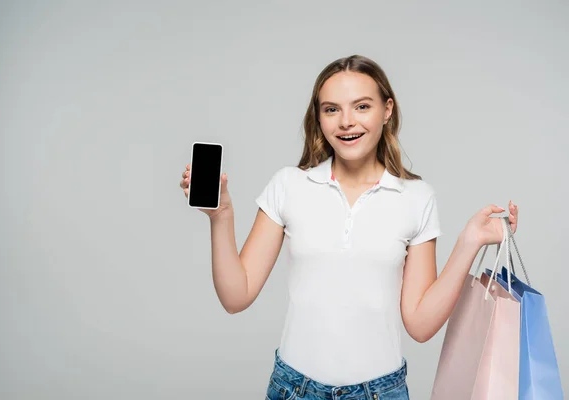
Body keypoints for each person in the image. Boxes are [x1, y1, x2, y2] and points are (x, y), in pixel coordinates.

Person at [179, 55, 519, 400]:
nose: (346, 122)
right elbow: (236, 297)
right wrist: (220, 216)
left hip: (380, 392)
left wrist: (470, 241)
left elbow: (419, 324)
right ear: (319, 117)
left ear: (387, 110)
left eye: (361, 106)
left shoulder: (416, 197)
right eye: (331, 109)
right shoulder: (288, 185)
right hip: (294, 390)